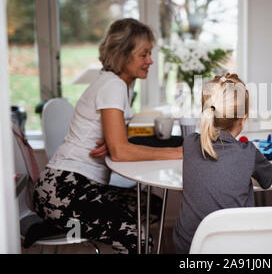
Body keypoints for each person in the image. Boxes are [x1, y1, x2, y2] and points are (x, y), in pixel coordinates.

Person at [33, 18, 182, 254]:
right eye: (144, 55)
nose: (150, 61)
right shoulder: (113, 85)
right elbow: (121, 153)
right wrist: (177, 152)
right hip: (64, 190)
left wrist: (114, 140)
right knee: (139, 240)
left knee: (151, 206)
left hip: (74, 185)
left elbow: (117, 144)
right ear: (123, 54)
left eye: (150, 54)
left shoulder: (118, 83)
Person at [173, 73, 272, 253]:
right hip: (234, 249)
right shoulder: (248, 153)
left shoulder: (189, 143)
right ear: (243, 118)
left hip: (188, 247)